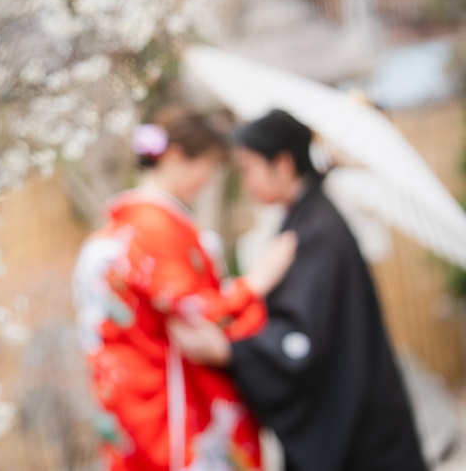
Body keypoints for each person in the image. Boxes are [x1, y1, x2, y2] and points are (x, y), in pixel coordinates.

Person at [169, 109, 428, 471]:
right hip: (359, 412)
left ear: (283, 163)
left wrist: (232, 352)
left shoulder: (317, 232)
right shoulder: (307, 220)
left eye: (248, 168)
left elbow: (301, 339)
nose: (246, 183)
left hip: (359, 429)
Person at [72, 106, 296, 471]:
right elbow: (197, 310)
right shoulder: (153, 226)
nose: (207, 179)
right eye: (207, 165)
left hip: (130, 396)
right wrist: (256, 282)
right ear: (175, 157)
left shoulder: (120, 227)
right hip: (166, 401)